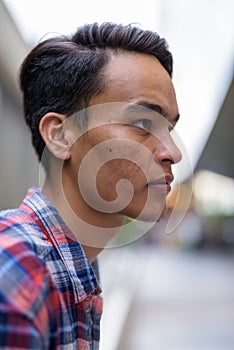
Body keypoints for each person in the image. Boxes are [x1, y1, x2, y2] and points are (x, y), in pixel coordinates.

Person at [0, 22, 182, 348]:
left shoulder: (76, 266)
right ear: (60, 135)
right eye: (143, 123)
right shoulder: (16, 271)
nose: (173, 152)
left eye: (168, 127)